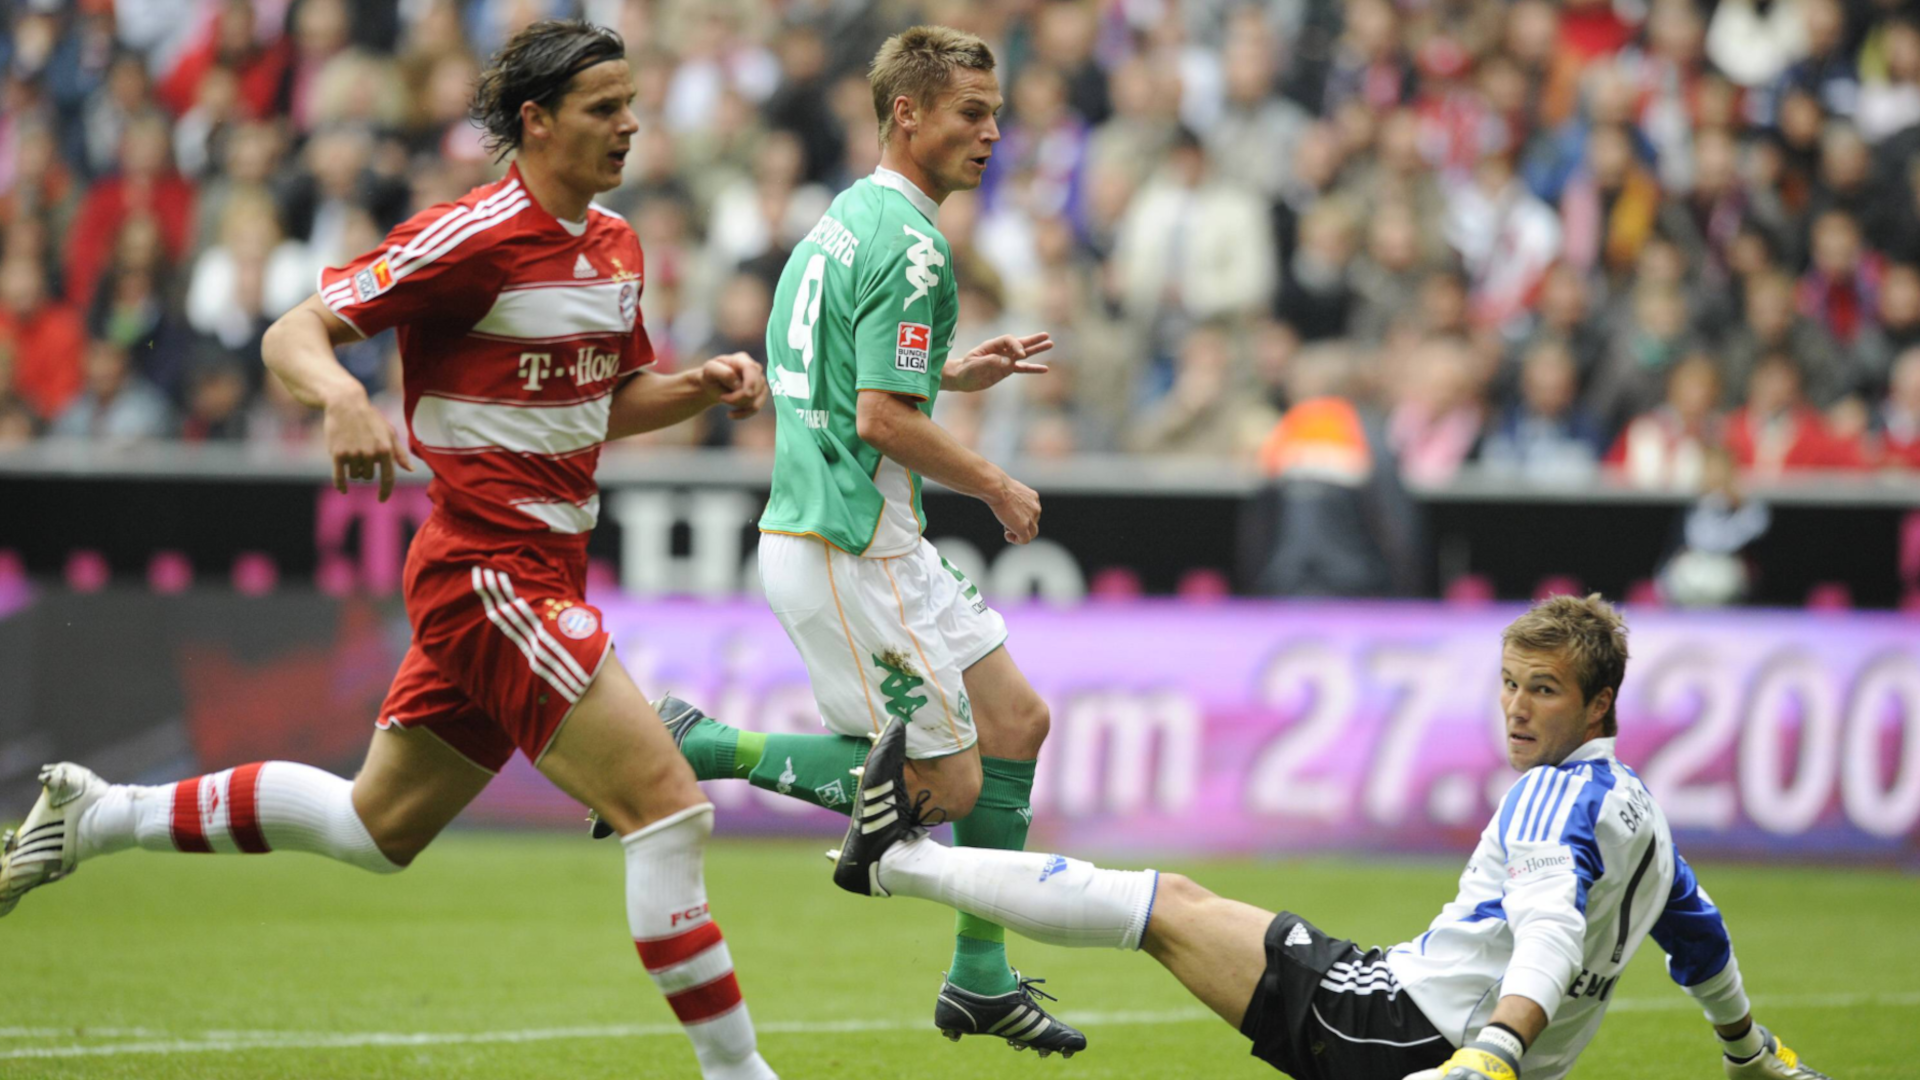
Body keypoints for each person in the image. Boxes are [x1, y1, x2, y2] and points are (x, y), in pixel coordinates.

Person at [1, 21, 780, 1080]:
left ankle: (101, 814)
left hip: (541, 575)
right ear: (537, 121)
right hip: (488, 578)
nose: (632, 125)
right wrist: (339, 401)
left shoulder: (617, 246)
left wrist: (694, 386)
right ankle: (739, 1074)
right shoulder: (470, 236)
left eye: (633, 103)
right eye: (606, 108)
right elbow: (294, 331)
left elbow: (594, 400)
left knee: (378, 827)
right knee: (669, 809)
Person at [830, 595, 1835, 1080]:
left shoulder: (1542, 805)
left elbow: (1551, 934)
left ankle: (898, 864)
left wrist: (1489, 1053)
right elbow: (1692, 930)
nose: (1519, 711)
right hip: (1443, 1036)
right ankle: (902, 863)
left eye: (1546, 691)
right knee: (1181, 902)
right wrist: (1749, 1051)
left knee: (1168, 907)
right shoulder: (1639, 809)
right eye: (1511, 685)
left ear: (1602, 703)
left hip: (1407, 1031)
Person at [635, 24, 1081, 1057]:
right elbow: (881, 417)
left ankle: (980, 975)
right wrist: (997, 481)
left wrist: (957, 372)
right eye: (972, 113)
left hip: (866, 534)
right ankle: (706, 743)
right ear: (907, 113)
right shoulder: (916, 245)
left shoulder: (842, 219)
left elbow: (857, 377)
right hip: (845, 543)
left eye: (996, 112)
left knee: (1016, 719)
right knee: (947, 787)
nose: (993, 133)